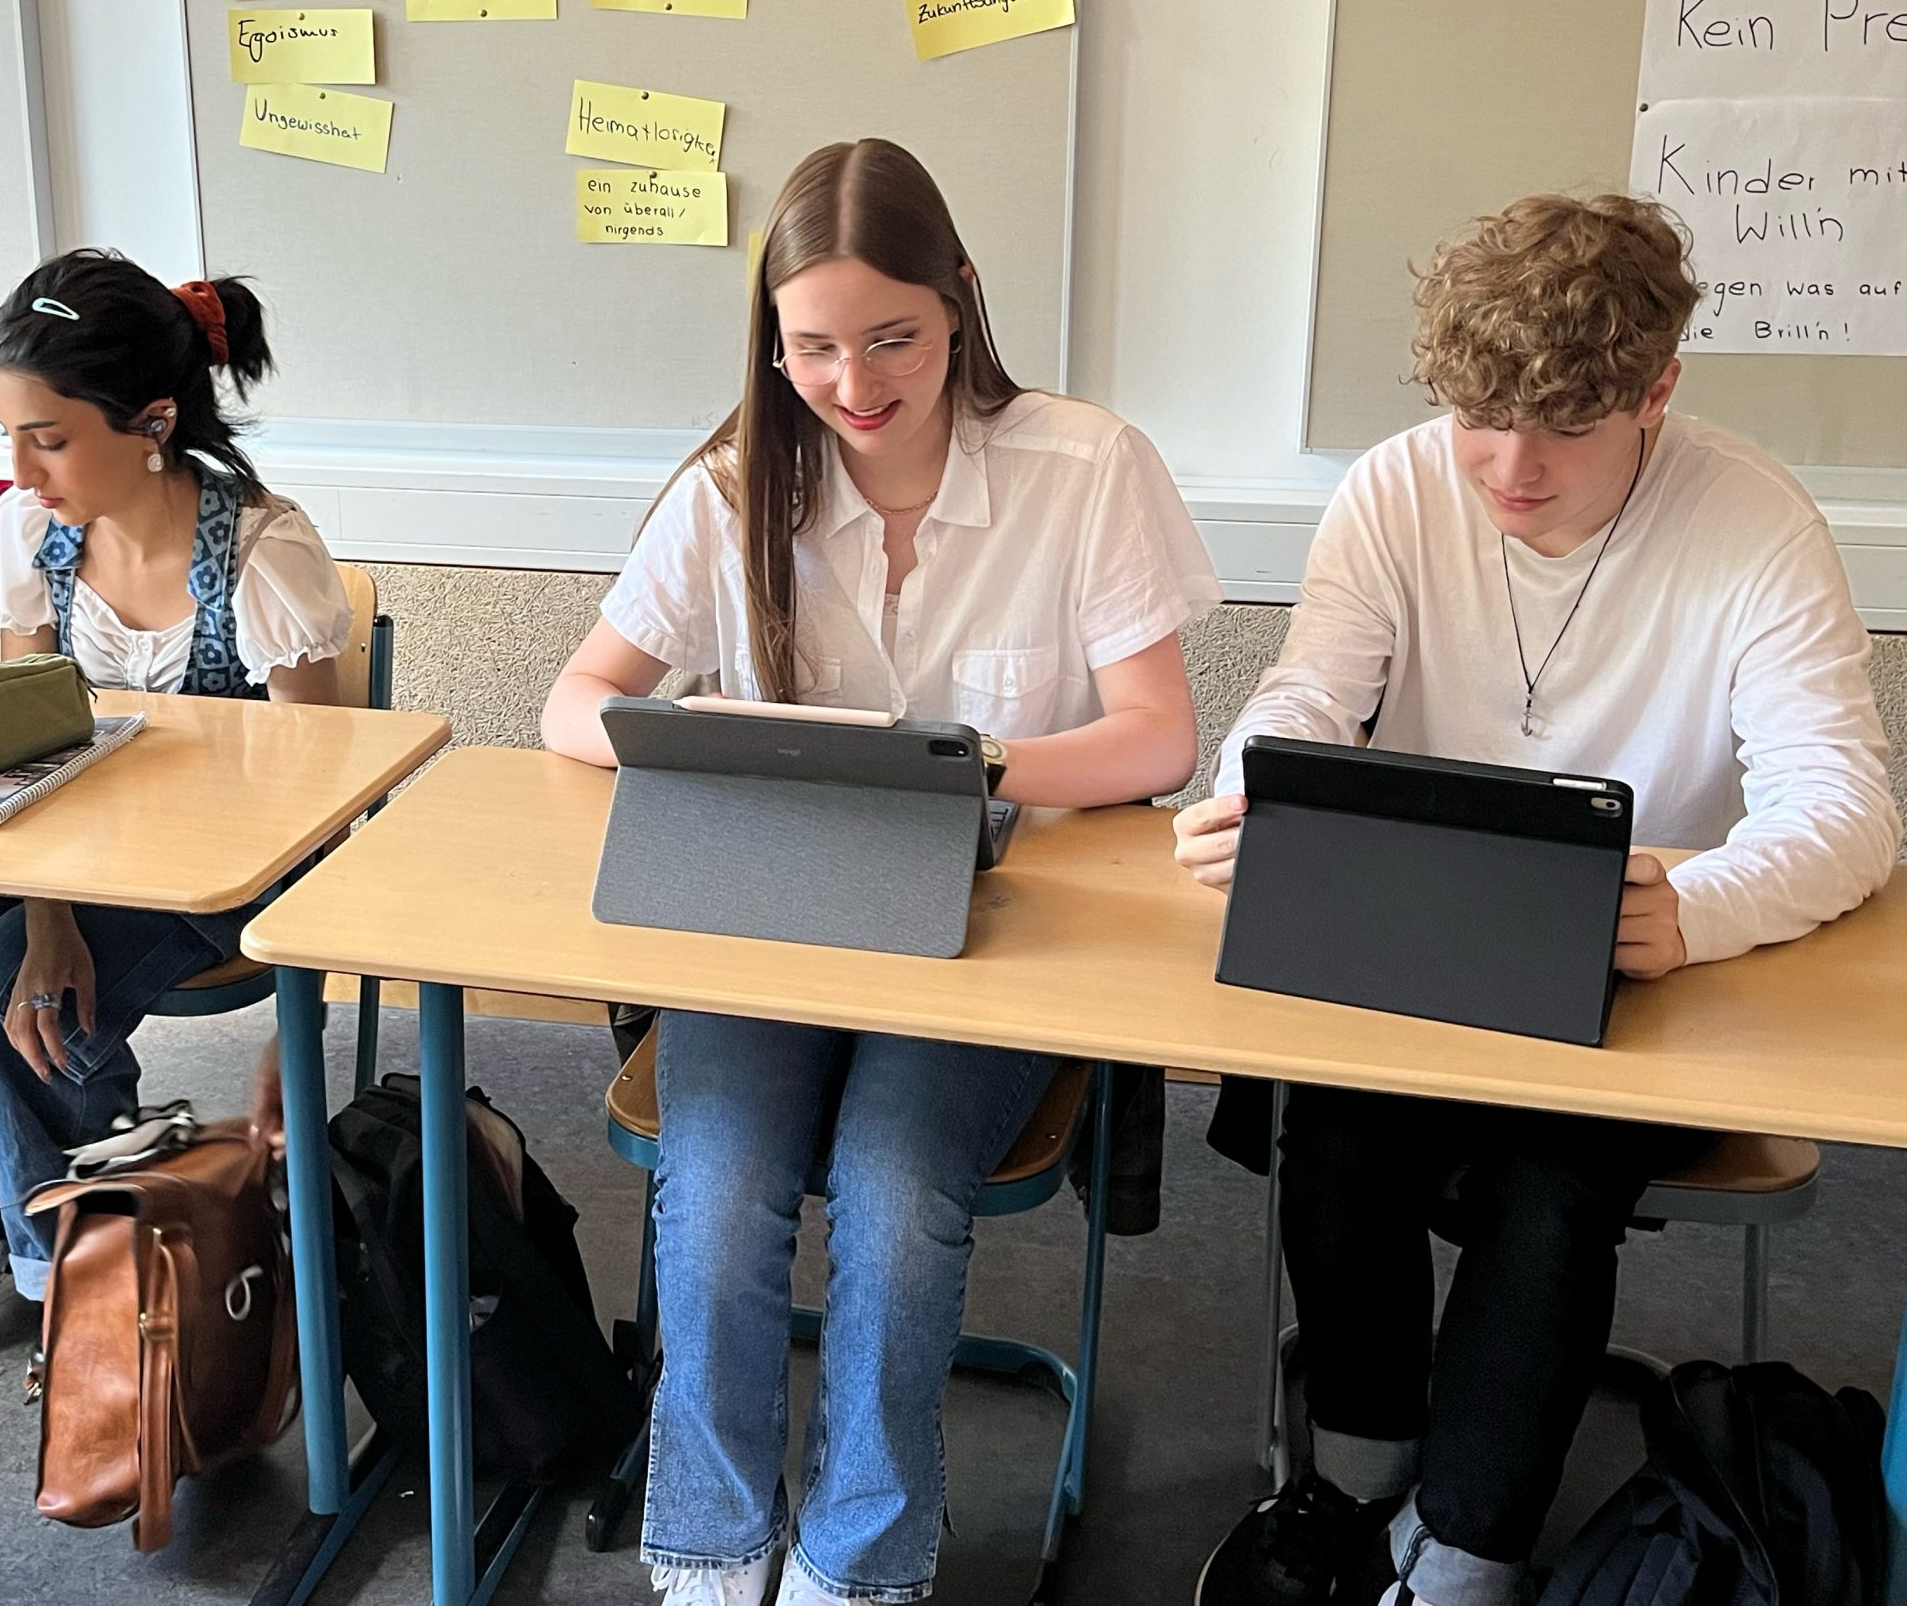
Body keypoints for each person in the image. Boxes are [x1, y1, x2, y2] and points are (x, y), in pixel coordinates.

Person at [1178, 194, 1899, 1606]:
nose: (1510, 468)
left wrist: (1700, 906)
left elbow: (1845, 807)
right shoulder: (1397, 488)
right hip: (1416, 942)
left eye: (1564, 427)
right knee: (1334, 1127)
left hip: (1636, 974)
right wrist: (1263, 780)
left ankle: (1464, 1553)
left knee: (1551, 1184)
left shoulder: (1753, 521)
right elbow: (1312, 687)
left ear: (1656, 392)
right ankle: (1362, 1481)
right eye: (1479, 420)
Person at [541, 139, 1221, 1605]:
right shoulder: (734, 487)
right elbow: (572, 704)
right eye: (813, 348)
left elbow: (1158, 735)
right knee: (720, 1185)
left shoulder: (1083, 467)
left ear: (960, 301)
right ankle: (711, 1543)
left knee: (900, 1186)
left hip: (996, 924)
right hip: (777, 918)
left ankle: (861, 1558)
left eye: (894, 337)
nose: (853, 384)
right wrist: (713, 739)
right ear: (771, 342)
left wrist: (964, 769)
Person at [0, 249, 355, 1349]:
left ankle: (80, 1263)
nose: (22, 470)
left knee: (10, 992)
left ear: (153, 421)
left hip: (220, 860)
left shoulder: (264, 556)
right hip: (59, 837)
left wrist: (300, 1026)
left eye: (49, 437)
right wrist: (50, 913)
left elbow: (319, 806)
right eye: (6, 433)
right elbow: (19, 750)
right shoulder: (34, 535)